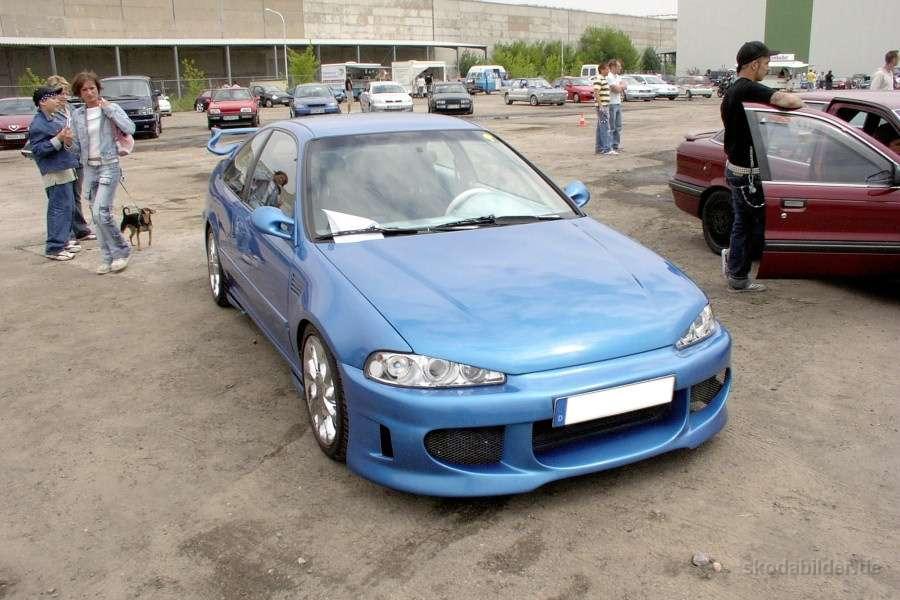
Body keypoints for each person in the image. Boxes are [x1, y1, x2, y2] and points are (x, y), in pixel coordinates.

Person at [720, 41, 803, 293]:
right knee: (748, 227)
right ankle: (738, 274)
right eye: (766, 63)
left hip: (737, 167)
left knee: (742, 224)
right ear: (754, 64)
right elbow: (788, 101)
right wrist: (801, 101)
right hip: (747, 173)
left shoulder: (734, 89)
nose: (768, 69)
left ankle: (735, 269)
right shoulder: (748, 89)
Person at [69, 71, 136, 274]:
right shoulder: (77, 115)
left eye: (92, 88)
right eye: (84, 90)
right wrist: (67, 142)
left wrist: (110, 111)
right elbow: (76, 147)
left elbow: (130, 128)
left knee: (101, 211)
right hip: (89, 167)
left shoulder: (110, 108)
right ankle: (107, 256)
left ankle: (121, 250)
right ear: (79, 93)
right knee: (95, 216)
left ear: (98, 89)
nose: (89, 93)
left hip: (109, 164)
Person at [28, 86, 81, 261]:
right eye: (53, 97)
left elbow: (64, 144)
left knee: (68, 207)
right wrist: (58, 139)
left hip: (64, 168)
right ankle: (54, 247)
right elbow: (38, 150)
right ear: (43, 102)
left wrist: (66, 140)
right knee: (59, 209)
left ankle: (64, 241)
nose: (57, 100)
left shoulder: (51, 120)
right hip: (54, 171)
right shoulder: (38, 124)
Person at [45, 75, 95, 243]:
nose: (64, 96)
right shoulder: (50, 114)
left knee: (76, 195)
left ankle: (80, 229)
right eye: (60, 93)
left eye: (66, 92)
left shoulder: (71, 109)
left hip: (77, 158)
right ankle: (68, 234)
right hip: (62, 159)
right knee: (66, 199)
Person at [592, 63, 614, 155]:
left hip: (604, 106)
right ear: (602, 70)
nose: (608, 71)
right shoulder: (599, 78)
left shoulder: (603, 79)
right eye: (607, 69)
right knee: (605, 127)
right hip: (602, 107)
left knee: (600, 128)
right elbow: (596, 92)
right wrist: (601, 106)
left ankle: (599, 148)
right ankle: (607, 148)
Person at [606, 59, 627, 152]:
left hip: (618, 103)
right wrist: (620, 87)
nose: (620, 68)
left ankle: (615, 145)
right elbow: (616, 90)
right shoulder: (609, 77)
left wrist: (620, 87)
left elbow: (625, 85)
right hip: (611, 104)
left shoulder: (618, 77)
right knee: (611, 126)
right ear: (613, 67)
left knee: (618, 126)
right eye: (618, 66)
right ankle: (609, 145)